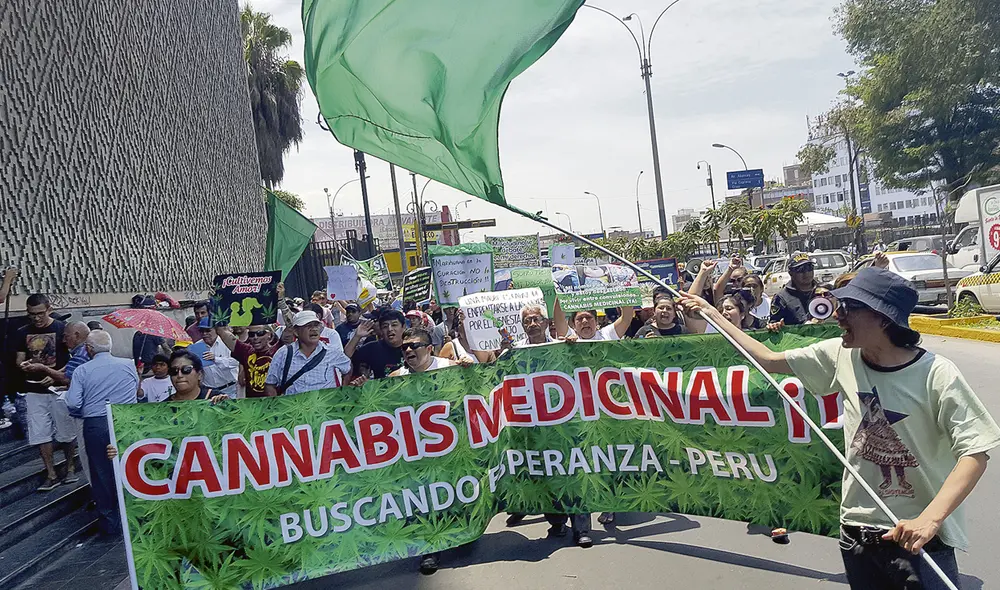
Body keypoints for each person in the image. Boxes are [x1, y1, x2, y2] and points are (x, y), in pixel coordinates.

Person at [679, 268, 1000, 589]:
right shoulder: (840, 354)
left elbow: (975, 453)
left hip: (916, 538)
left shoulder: (937, 374)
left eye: (848, 308)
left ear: (883, 318)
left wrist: (929, 519)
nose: (838, 315)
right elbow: (767, 358)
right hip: (856, 530)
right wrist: (710, 312)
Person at [505, 304, 592, 549]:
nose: (532, 324)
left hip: (565, 423)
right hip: (533, 425)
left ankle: (582, 529)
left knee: (573, 472)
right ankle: (556, 522)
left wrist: (573, 347)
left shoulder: (563, 345)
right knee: (545, 474)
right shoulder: (515, 352)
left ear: (546, 323)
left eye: (536, 319)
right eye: (526, 321)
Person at [64, 330, 138, 535]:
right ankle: (134, 515)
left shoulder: (82, 370)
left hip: (96, 422)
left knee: (101, 472)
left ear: (89, 348)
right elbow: (135, 389)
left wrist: (85, 408)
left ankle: (110, 521)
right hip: (126, 419)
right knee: (129, 465)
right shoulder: (128, 365)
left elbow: (72, 402)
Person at [16, 294, 77, 491]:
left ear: (49, 309)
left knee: (66, 431)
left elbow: (74, 359)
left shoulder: (61, 329)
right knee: (40, 433)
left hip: (58, 389)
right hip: (33, 389)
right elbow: (19, 358)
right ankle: (50, 473)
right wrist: (23, 365)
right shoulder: (22, 332)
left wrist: (55, 375)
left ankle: (69, 467)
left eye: (40, 313)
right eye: (32, 314)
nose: (36, 318)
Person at [265, 311, 352, 396]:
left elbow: (348, 368)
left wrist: (342, 392)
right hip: (294, 408)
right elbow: (270, 385)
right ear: (296, 331)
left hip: (325, 408)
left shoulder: (332, 352)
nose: (314, 329)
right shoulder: (283, 353)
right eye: (308, 326)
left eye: (316, 325)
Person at [215, 324, 278, 398]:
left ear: (269, 335)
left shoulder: (279, 351)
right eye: (251, 334)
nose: (255, 337)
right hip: (252, 405)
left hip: (275, 403)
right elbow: (221, 331)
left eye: (260, 333)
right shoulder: (246, 351)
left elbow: (290, 330)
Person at [347, 309, 406, 379]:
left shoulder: (414, 346)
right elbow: (347, 355)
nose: (390, 329)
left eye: (394, 325)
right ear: (381, 330)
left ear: (404, 327)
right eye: (385, 326)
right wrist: (357, 336)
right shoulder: (372, 348)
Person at [769, 252, 819, 326]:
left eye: (809, 267)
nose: (806, 273)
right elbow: (774, 323)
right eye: (800, 269)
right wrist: (775, 325)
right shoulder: (782, 297)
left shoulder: (823, 291)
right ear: (791, 272)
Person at [194, 318, 239, 399]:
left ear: (216, 330)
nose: (204, 334)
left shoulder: (227, 342)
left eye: (208, 330)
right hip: (210, 392)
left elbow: (236, 362)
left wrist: (216, 359)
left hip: (230, 389)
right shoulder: (197, 347)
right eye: (201, 331)